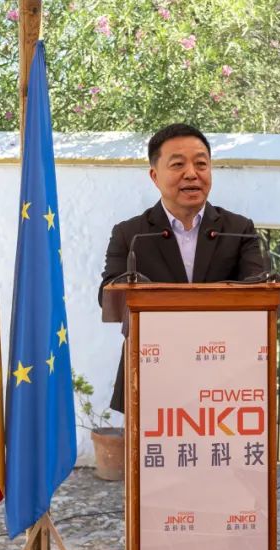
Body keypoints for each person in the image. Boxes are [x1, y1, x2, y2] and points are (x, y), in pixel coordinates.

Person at [99, 123, 265, 412]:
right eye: (178, 164)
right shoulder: (130, 234)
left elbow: (259, 292)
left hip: (225, 379)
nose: (192, 173)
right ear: (154, 176)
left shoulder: (239, 230)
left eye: (201, 164)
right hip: (150, 375)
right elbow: (108, 294)